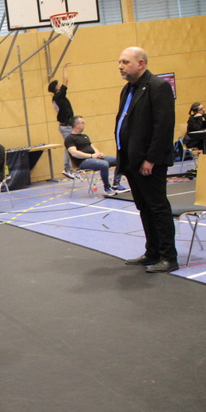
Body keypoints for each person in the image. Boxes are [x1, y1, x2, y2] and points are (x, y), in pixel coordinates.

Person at [115, 47, 178, 273]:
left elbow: (163, 128)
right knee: (144, 208)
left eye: (125, 62)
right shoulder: (127, 89)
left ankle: (169, 257)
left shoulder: (158, 87)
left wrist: (151, 159)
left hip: (149, 162)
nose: (120, 66)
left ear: (141, 64)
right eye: (119, 62)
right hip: (131, 161)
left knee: (158, 208)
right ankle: (152, 252)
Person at [65, 116, 128, 196]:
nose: (84, 124)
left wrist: (98, 154)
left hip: (94, 158)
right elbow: (74, 153)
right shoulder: (69, 138)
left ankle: (116, 184)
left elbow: (92, 147)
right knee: (104, 164)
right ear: (77, 125)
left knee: (119, 160)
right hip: (83, 161)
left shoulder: (84, 136)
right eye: (82, 123)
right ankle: (107, 187)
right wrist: (91, 156)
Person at [48, 62, 78, 179]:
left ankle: (71, 168)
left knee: (70, 147)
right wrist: (64, 68)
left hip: (66, 125)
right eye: (58, 85)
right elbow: (66, 81)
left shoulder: (56, 98)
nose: (60, 85)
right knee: (69, 147)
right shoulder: (58, 96)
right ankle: (67, 168)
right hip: (66, 126)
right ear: (57, 89)